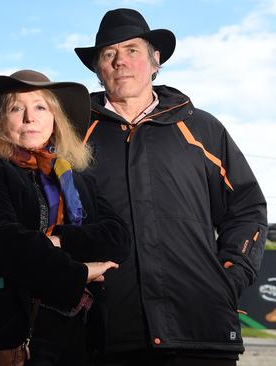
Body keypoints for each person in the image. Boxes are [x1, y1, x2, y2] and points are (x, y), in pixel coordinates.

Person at [74, 8, 268, 365]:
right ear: (97, 69)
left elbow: (246, 207)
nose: (121, 61)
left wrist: (229, 277)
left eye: (132, 50)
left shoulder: (201, 128)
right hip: (106, 335)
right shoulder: (72, 137)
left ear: (155, 60)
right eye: (109, 54)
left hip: (201, 332)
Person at [0, 69, 130, 365]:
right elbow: (4, 244)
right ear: (0, 122)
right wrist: (79, 272)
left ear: (54, 119)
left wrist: (59, 239)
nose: (29, 117)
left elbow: (118, 238)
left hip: (79, 336)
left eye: (40, 106)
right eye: (15, 108)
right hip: (12, 333)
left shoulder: (79, 180)